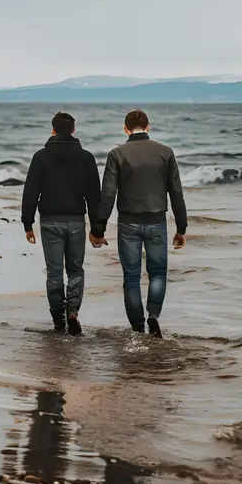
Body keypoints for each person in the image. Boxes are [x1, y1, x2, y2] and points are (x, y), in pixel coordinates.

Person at [91, 109, 187, 338]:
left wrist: (98, 228)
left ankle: (137, 327)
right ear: (148, 126)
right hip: (157, 221)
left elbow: (108, 194)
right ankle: (153, 315)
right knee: (158, 273)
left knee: (131, 277)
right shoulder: (166, 152)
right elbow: (176, 192)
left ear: (125, 129)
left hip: (128, 224)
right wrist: (181, 228)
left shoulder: (117, 154)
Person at [21, 111, 101, 335]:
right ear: (74, 130)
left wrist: (27, 223)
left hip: (50, 221)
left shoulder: (40, 157)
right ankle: (72, 311)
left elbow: (31, 191)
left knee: (54, 272)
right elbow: (94, 195)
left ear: (53, 130)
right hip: (76, 221)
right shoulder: (86, 158)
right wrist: (97, 228)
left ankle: (58, 321)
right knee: (76, 270)